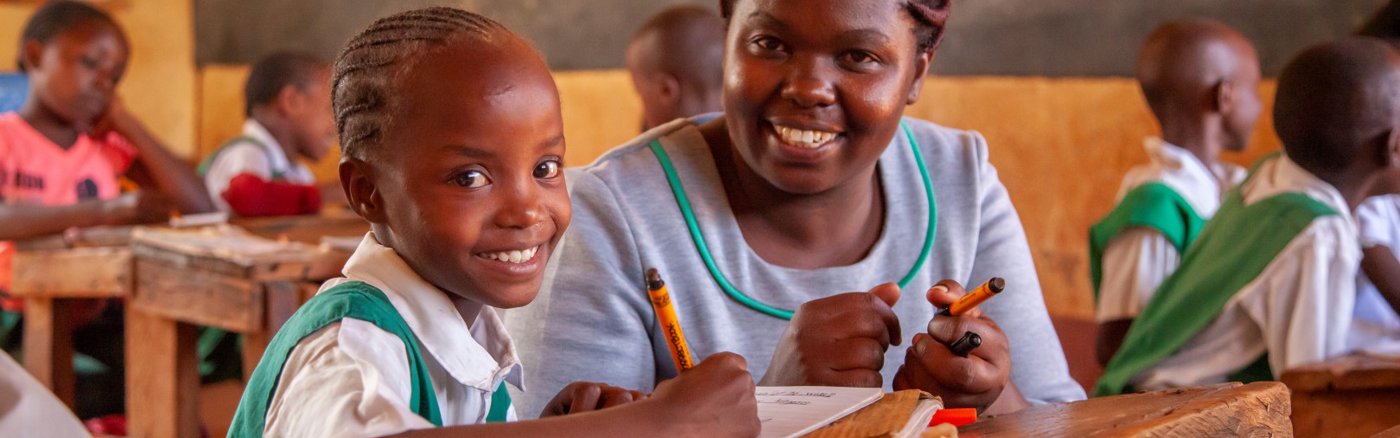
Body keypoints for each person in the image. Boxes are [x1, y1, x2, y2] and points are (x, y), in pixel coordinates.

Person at [509, 0, 1084, 418]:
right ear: (728, 33)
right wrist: (778, 406)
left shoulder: (962, 179)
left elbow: (1065, 421)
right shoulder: (612, 214)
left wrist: (989, 396)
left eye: (859, 56)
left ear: (917, 74)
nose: (809, 87)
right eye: (770, 44)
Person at [227, 7, 758, 437]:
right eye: (470, 178)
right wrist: (652, 424)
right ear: (368, 193)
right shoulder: (350, 344)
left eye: (545, 168)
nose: (527, 210)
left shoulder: (474, 335)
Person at [1096, 37, 1400, 395]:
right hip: (1172, 418)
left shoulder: (1271, 178)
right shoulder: (1319, 236)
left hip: (1140, 397)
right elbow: (1311, 394)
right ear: (1393, 147)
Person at [0, 0, 213, 418]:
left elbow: (198, 206)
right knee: (47, 399)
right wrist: (106, 210)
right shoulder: (6, 138)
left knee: (175, 363)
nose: (103, 84)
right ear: (36, 55)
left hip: (100, 309)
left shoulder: (104, 148)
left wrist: (126, 123)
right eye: (90, 63)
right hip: (16, 313)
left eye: (114, 77)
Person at [1089, 19, 1261, 366]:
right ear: (1224, 95)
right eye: (1254, 90)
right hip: (1174, 408)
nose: (1260, 106)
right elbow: (1120, 343)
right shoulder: (1155, 206)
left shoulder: (1234, 190)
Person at [200, 51, 337, 217]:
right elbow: (246, 196)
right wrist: (330, 194)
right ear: (291, 101)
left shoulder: (297, 172)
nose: (336, 125)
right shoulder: (247, 152)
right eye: (330, 109)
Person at [625, 5, 725, 130]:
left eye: (641, 94)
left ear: (666, 90)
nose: (643, 114)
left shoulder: (657, 146)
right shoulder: (751, 139)